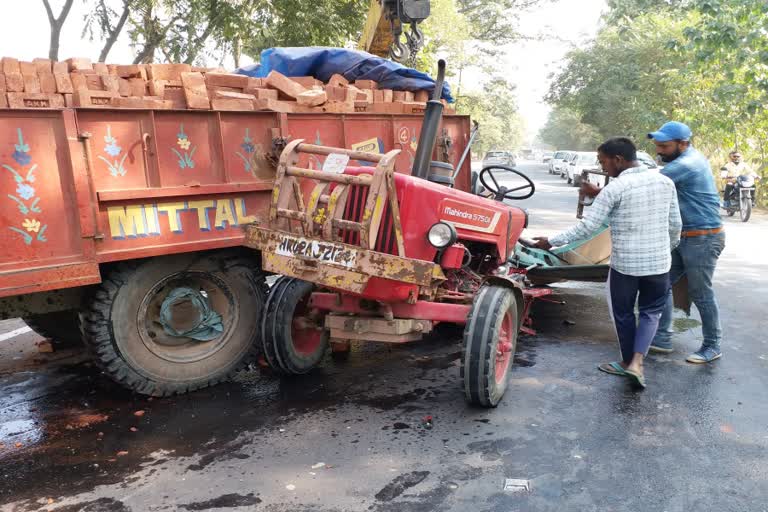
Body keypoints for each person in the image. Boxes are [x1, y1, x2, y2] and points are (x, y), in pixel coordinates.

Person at [533, 137, 681, 388]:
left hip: (626, 266)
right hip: (659, 264)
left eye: (604, 163)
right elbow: (675, 224)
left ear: (618, 160)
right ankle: (637, 362)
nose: (603, 168)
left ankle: (627, 363)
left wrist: (551, 241)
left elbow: (588, 227)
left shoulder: (615, 189)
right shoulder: (665, 182)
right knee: (651, 312)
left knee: (622, 313)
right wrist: (666, 249)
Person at [647, 121, 726, 363]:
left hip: (703, 238)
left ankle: (712, 346)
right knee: (661, 285)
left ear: (683, 144)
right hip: (682, 237)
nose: (659, 151)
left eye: (664, 146)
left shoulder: (687, 164)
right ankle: (661, 338)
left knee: (701, 293)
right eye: (658, 145)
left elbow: (649, 185)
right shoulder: (682, 160)